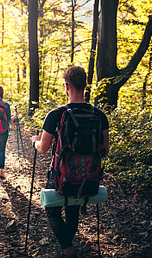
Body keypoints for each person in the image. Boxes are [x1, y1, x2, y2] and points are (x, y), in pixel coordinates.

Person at [32, 66, 109, 258]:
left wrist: (35, 142)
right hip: (88, 177)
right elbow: (105, 150)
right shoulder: (100, 116)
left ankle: (68, 249)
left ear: (66, 86)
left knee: (51, 211)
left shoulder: (56, 115)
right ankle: (67, 245)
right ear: (85, 85)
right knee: (73, 211)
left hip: (62, 176)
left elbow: (43, 148)